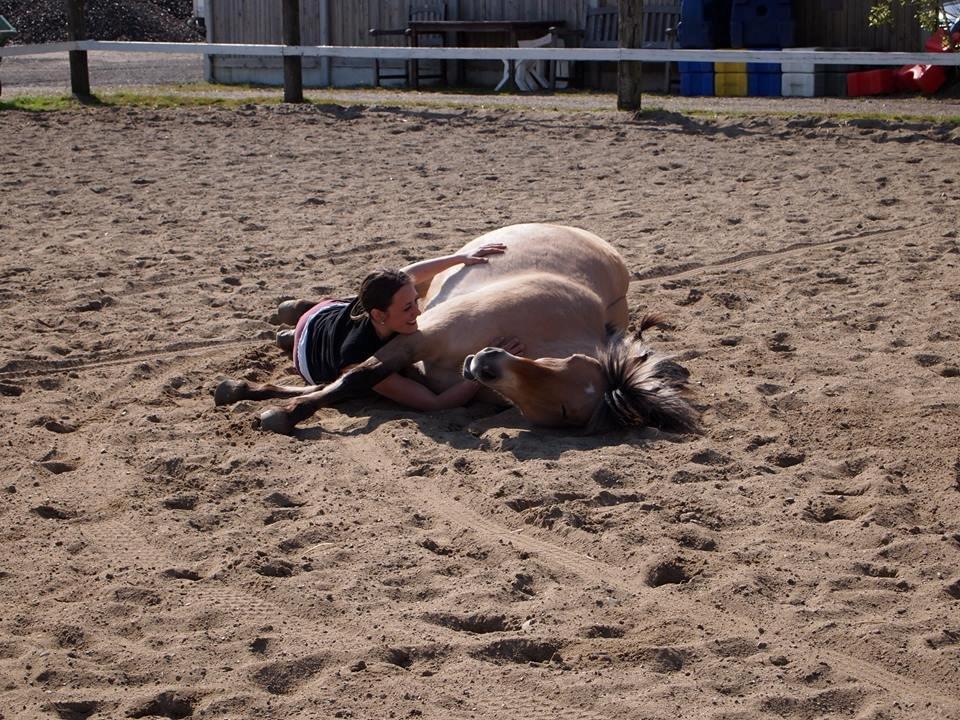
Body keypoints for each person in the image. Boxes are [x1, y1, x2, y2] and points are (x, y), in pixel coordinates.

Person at [277, 243, 524, 411]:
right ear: (379, 315)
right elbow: (433, 403)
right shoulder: (361, 359)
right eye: (407, 308)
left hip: (322, 314)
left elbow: (410, 273)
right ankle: (292, 337)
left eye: (415, 302)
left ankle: (290, 328)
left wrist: (461, 258)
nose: (418, 312)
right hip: (308, 354)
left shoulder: (377, 298)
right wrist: (480, 374)